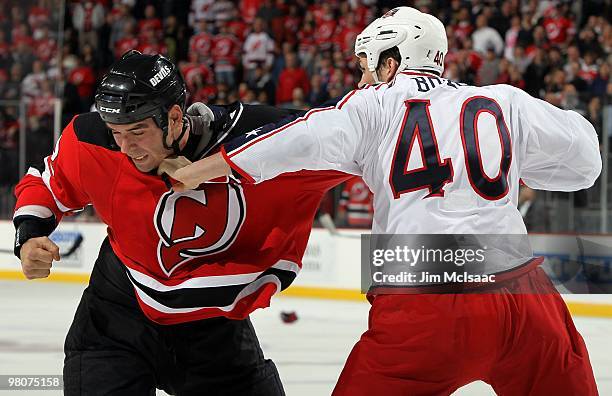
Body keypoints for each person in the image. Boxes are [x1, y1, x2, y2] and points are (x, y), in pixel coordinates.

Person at [166, 7, 601, 396]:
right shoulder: (503, 100)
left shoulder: (374, 104)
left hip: (425, 297)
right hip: (525, 295)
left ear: (392, 62)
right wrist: (516, 164)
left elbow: (294, 138)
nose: (360, 79)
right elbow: (586, 162)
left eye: (367, 66)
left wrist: (195, 171)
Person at [12, 50, 350, 395]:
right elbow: (45, 183)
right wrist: (30, 233)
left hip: (214, 337)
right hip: (114, 321)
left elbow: (344, 135)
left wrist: (376, 97)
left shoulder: (260, 138)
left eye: (138, 131)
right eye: (117, 132)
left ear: (174, 117)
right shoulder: (92, 140)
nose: (127, 147)